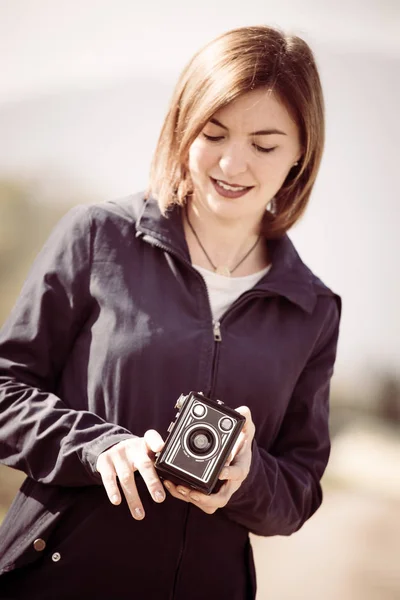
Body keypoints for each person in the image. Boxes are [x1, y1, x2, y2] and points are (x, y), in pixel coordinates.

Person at [0, 24, 341, 600]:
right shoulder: (97, 236)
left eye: (264, 144)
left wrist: (245, 478)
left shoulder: (312, 309)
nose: (233, 164)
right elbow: (6, 390)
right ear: (184, 125)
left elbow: (299, 492)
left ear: (300, 153)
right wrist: (97, 445)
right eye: (213, 133)